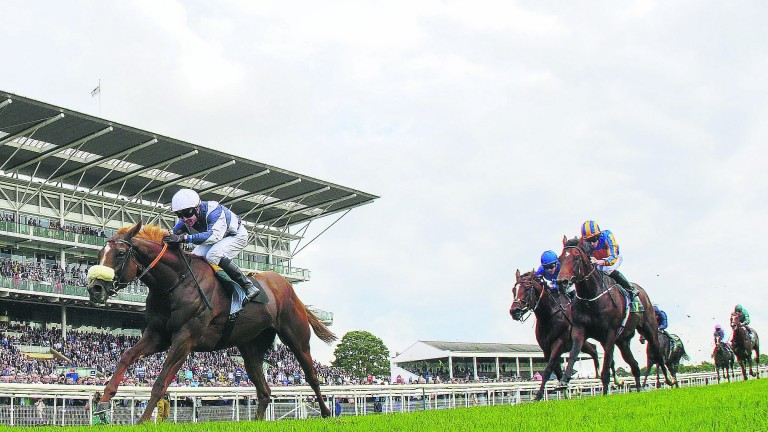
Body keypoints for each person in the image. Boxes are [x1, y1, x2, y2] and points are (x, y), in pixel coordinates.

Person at [164, 188, 259, 304]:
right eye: (179, 214)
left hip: (236, 235)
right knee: (194, 258)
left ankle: (247, 286)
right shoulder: (185, 220)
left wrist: (184, 238)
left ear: (197, 208)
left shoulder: (214, 211)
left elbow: (214, 236)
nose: (184, 218)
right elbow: (174, 232)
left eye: (187, 213)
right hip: (217, 239)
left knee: (213, 255)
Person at [580, 220, 638, 299]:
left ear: (599, 235)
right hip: (597, 260)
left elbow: (613, 258)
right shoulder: (584, 243)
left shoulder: (607, 236)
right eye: (588, 241)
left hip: (613, 257)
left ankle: (630, 288)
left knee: (607, 269)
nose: (592, 243)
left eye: (594, 239)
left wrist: (600, 261)